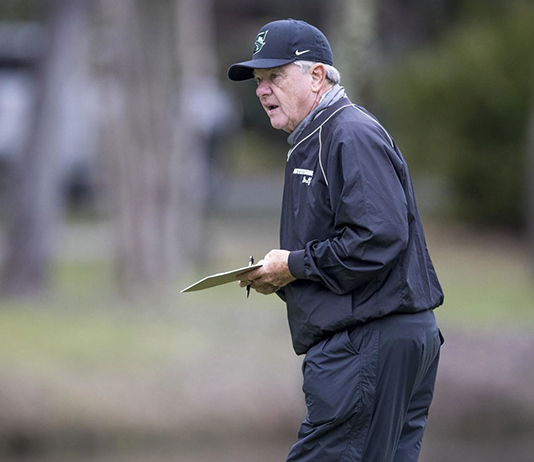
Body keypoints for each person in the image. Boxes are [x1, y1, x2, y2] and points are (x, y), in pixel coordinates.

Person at [228, 18, 444, 462]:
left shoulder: (348, 132)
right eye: (258, 80)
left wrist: (294, 266)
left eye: (275, 76)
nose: (262, 90)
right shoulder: (314, 136)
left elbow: (377, 238)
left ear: (317, 75)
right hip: (376, 338)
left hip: (370, 340)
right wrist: (284, 275)